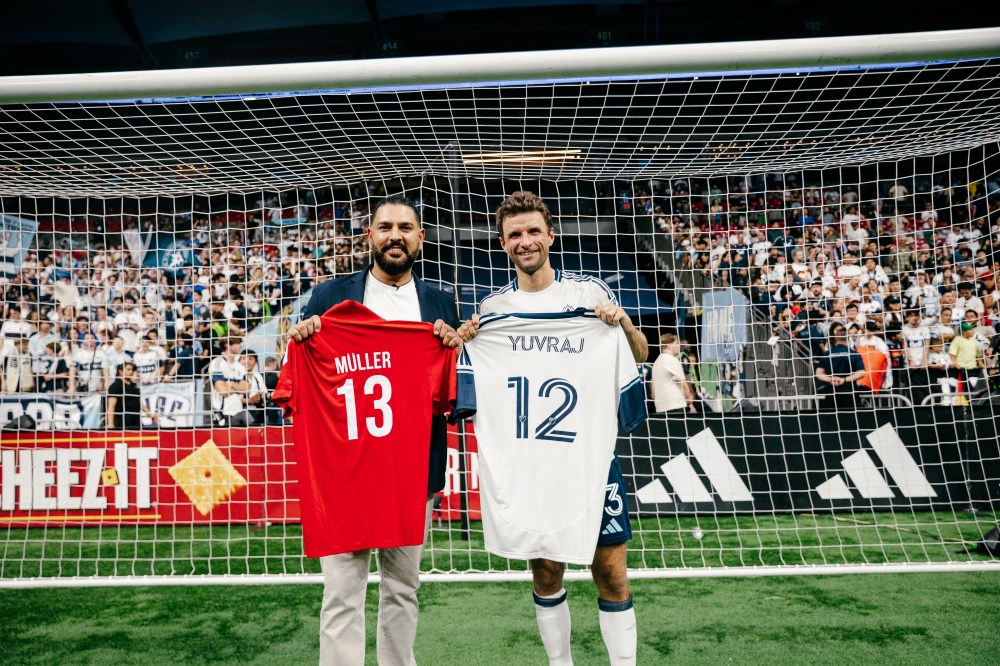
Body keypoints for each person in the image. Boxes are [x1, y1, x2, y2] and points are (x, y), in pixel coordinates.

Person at [457, 191, 647, 666]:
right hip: (532, 465)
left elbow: (638, 354)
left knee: (611, 573)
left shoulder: (589, 294)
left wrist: (621, 322)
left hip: (589, 460)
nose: (525, 241)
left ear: (550, 236)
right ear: (503, 244)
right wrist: (465, 343)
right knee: (545, 571)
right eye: (515, 234)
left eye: (533, 232)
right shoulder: (493, 310)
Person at [286, 194, 461, 666]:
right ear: (370, 235)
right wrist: (298, 340)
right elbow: (295, 374)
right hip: (345, 474)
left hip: (412, 472)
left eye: (405, 227)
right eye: (385, 227)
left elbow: (455, 396)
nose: (395, 236)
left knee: (403, 588)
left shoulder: (441, 304)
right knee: (342, 592)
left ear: (420, 237)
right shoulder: (328, 297)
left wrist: (455, 346)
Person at [814, 323, 867, 408]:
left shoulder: (827, 354)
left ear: (835, 338)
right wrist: (844, 380)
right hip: (849, 391)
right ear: (848, 338)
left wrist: (830, 379)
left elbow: (818, 373)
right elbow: (861, 373)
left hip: (831, 391)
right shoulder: (853, 354)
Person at [208, 337, 251, 426]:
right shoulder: (217, 362)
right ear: (227, 345)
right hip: (224, 413)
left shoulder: (240, 366)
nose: (240, 345)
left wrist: (230, 384)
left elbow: (247, 389)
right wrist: (238, 387)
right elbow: (223, 391)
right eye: (238, 343)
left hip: (240, 410)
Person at [650, 333, 696, 414]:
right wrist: (689, 400)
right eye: (676, 343)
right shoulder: (671, 360)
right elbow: (683, 385)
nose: (679, 346)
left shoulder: (656, 362)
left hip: (660, 408)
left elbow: (653, 390)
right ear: (668, 346)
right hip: (675, 406)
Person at [106, 361, 157, 429]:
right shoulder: (115, 386)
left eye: (131, 369)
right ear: (120, 371)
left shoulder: (134, 386)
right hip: (122, 422)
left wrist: (150, 415)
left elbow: (138, 403)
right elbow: (111, 406)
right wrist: (110, 424)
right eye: (128, 369)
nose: (131, 371)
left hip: (136, 421)